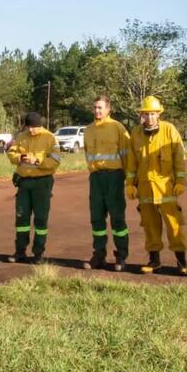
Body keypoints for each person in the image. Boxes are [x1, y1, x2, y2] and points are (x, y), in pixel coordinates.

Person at [126, 96, 187, 275]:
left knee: (174, 225)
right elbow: (132, 163)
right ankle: (154, 261)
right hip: (145, 189)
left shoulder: (169, 130)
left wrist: (180, 182)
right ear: (142, 115)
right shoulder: (136, 134)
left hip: (167, 189)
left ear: (159, 113)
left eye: (153, 113)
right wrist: (130, 184)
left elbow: (179, 159)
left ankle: (181, 262)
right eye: (146, 114)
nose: (150, 117)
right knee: (149, 226)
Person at [81, 95, 131, 272]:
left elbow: (127, 155)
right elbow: (87, 153)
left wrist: (128, 177)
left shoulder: (117, 128)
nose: (97, 111)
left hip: (114, 177)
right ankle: (99, 255)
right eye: (95, 107)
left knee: (117, 218)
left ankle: (121, 256)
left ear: (108, 109)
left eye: (100, 108)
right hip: (95, 178)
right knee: (96, 218)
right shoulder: (88, 130)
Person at [6, 112, 61, 263]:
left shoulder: (50, 137)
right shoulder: (22, 137)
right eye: (28, 126)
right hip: (24, 182)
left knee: (41, 219)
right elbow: (11, 152)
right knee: (21, 217)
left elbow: (56, 161)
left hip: (42, 183)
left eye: (34, 127)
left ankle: (38, 253)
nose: (31, 130)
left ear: (40, 125)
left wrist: (37, 161)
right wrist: (19, 158)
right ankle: (20, 251)